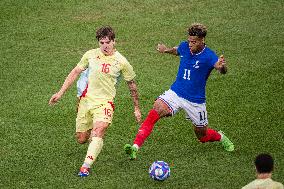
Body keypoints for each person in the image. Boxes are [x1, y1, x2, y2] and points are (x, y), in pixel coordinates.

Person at [124, 23, 234, 160]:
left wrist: (221, 67)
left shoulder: (209, 55)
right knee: (155, 110)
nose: (190, 44)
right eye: (189, 41)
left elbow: (220, 68)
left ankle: (221, 137)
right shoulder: (185, 46)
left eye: (193, 42)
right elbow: (177, 50)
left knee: (203, 136)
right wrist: (166, 50)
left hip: (195, 101)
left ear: (202, 41)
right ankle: (135, 147)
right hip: (176, 92)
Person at [49, 26, 142, 177]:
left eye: (108, 42)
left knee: (99, 131)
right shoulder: (90, 55)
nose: (105, 46)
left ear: (114, 41)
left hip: (105, 103)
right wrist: (60, 93)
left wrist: (136, 108)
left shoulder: (121, 61)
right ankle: (92, 133)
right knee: (81, 139)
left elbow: (132, 85)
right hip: (86, 101)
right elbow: (75, 72)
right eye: (101, 42)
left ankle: (85, 167)